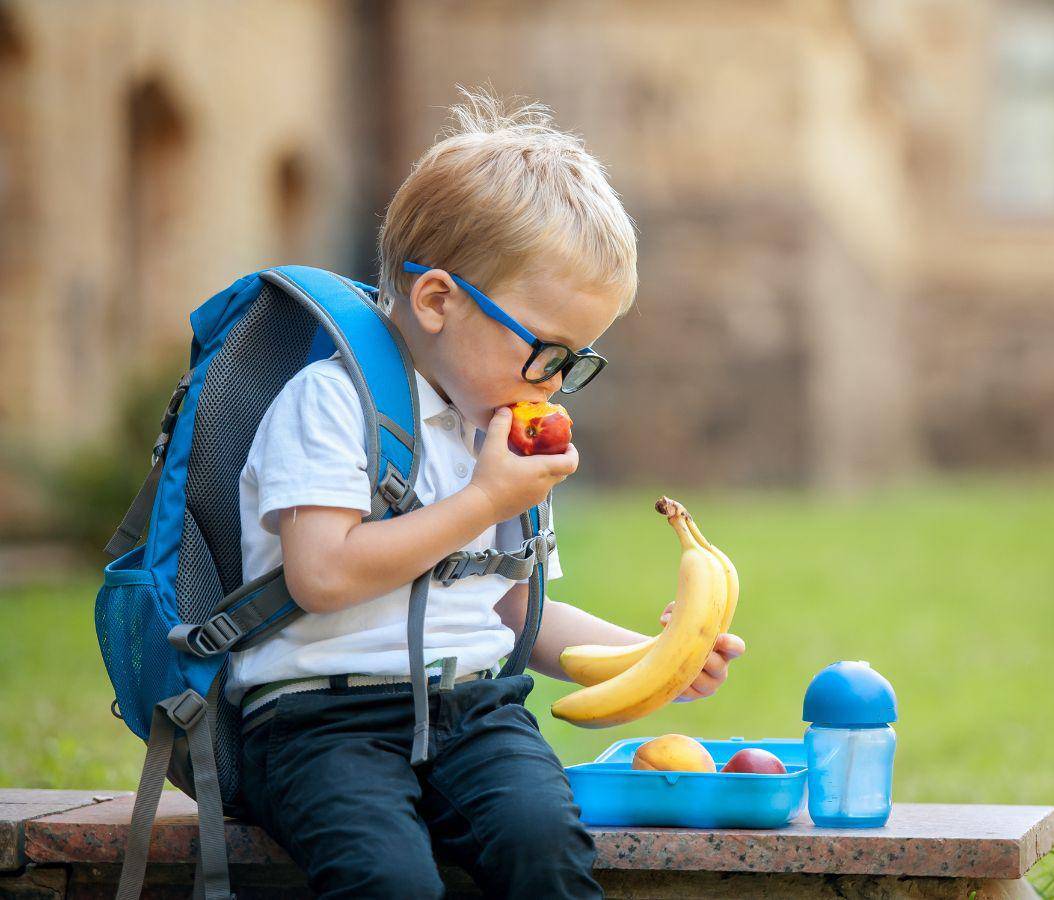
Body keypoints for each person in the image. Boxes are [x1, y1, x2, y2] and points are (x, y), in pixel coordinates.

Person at [231, 87, 745, 898]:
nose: (554, 381)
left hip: (474, 711)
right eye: (546, 349)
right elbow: (320, 576)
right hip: (318, 722)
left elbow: (513, 611)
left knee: (546, 847)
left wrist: (657, 657)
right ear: (438, 301)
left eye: (575, 359)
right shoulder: (332, 405)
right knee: (389, 881)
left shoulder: (498, 433)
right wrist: (481, 501)